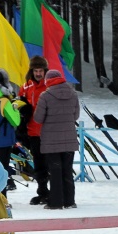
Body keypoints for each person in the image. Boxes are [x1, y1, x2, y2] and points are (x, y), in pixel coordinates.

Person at [33, 70, 80, 209]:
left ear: (48, 80)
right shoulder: (73, 94)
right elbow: (76, 116)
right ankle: (69, 201)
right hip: (69, 138)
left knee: (54, 171)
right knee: (67, 170)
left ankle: (56, 202)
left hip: (51, 140)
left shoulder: (45, 95)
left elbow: (38, 118)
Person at [16, 56, 50, 204]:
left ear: (45, 71)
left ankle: (55, 192)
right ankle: (42, 191)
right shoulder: (25, 87)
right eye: (35, 70)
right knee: (39, 164)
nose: (38, 73)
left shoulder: (49, 85)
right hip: (32, 131)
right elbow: (19, 107)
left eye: (40, 70)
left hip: (48, 131)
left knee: (51, 163)